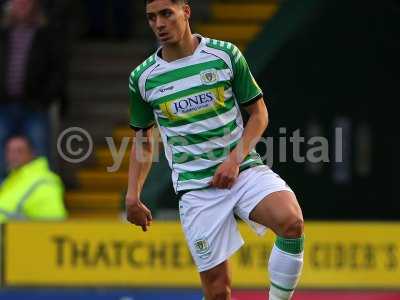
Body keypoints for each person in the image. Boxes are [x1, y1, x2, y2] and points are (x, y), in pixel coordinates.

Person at [126, 1, 304, 299]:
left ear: (186, 11)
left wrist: (234, 160)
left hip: (243, 171)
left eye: (166, 14)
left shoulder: (224, 54)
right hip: (197, 190)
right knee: (218, 290)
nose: (159, 24)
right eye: (151, 18)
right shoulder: (143, 78)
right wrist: (132, 195)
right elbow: (144, 140)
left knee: (291, 221)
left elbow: (259, 115)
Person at [0, 0, 66, 181]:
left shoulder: (46, 35)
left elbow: (57, 70)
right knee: (1, 160)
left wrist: (45, 99)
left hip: (35, 107)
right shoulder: (4, 35)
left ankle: (43, 197)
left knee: (41, 157)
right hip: (4, 106)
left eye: (25, 1)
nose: (21, 5)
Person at [0, 135, 67, 222]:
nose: (13, 156)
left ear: (32, 153)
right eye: (10, 151)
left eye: (19, 151)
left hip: (20, 234)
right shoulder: (11, 180)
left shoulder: (44, 181)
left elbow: (54, 222)